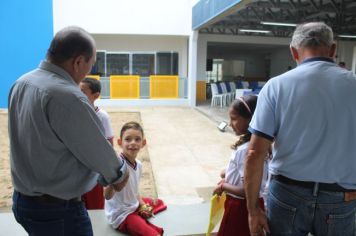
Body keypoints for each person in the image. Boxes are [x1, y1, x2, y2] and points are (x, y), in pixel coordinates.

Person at [8, 26, 129, 236]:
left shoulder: (21, 83)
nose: (87, 73)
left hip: (24, 201)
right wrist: (119, 175)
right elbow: (99, 153)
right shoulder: (66, 96)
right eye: (90, 65)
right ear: (78, 62)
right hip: (56, 211)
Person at [244, 22, 356, 236]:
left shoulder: (276, 86)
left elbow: (254, 154)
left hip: (287, 195)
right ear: (333, 50)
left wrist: (253, 211)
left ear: (293, 52)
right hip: (341, 198)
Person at [213, 96, 269, 236]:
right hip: (253, 204)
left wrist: (223, 186)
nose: (230, 124)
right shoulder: (258, 145)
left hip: (241, 208)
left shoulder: (246, 150)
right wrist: (228, 172)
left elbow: (247, 190)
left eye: (234, 118)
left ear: (250, 120)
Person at [105, 121, 165, 236]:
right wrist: (113, 183)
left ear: (143, 143)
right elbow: (107, 196)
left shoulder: (139, 164)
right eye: (128, 139)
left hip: (133, 205)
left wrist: (142, 204)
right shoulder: (116, 165)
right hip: (122, 215)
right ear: (119, 142)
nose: (133, 143)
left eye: (137, 139)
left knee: (157, 202)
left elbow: (134, 191)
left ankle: (140, 210)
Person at [80, 77, 114, 209]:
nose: (78, 94)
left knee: (95, 205)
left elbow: (109, 144)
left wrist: (106, 169)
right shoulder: (75, 113)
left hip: (95, 169)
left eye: (83, 92)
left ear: (96, 96)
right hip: (78, 168)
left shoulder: (102, 116)